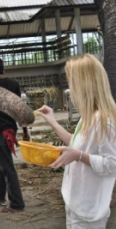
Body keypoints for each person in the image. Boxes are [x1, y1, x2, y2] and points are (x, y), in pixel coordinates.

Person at [38, 54, 116, 229]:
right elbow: (75, 144)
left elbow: (113, 164)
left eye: (72, 83)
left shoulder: (104, 121)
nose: (70, 90)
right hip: (76, 204)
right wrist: (52, 122)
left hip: (89, 212)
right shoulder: (88, 117)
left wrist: (79, 156)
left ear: (85, 85)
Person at [0, 56, 25, 213]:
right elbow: (20, 109)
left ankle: (17, 203)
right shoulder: (14, 84)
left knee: (7, 166)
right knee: (0, 161)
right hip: (11, 128)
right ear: (2, 68)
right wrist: (25, 131)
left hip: (0, 128)